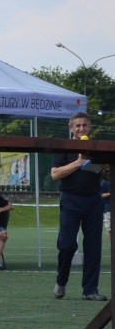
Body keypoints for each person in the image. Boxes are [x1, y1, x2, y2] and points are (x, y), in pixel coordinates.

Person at [51, 112, 108, 301]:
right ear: (71, 128)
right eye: (77, 126)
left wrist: (106, 169)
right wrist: (78, 162)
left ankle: (90, 290)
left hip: (93, 200)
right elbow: (55, 174)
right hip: (70, 200)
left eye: (84, 125)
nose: (81, 129)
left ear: (89, 127)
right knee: (67, 245)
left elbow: (105, 175)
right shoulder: (64, 148)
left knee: (93, 247)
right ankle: (61, 280)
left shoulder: (96, 149)